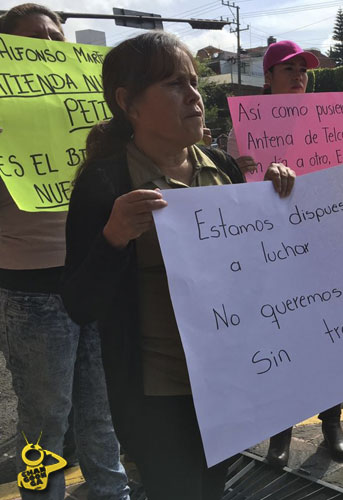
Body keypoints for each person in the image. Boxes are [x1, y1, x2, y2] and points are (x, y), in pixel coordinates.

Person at [61, 31, 295, 500]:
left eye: (193, 82)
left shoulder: (223, 167)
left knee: (212, 486)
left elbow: (260, 271)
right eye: (173, 84)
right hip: (157, 395)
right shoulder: (104, 184)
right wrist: (114, 237)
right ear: (128, 102)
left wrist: (277, 200)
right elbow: (81, 303)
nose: (194, 96)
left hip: (230, 378)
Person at [0, 5, 130, 499]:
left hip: (94, 279)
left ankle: (111, 492)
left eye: (57, 36)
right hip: (31, 292)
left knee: (101, 408)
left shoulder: (91, 116)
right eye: (35, 38)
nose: (50, 46)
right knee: (43, 421)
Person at [251, 40, 343, 469]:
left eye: (303, 69)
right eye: (288, 68)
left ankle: (332, 423)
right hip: (273, 255)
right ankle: (282, 432)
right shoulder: (248, 128)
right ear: (268, 77)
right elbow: (234, 198)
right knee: (284, 343)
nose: (298, 75)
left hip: (326, 248)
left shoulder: (333, 120)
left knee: (332, 338)